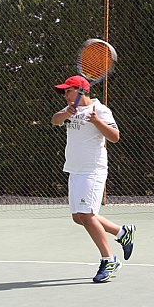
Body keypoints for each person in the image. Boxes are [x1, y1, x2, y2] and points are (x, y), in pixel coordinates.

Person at [51, 75, 135, 283]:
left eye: (67, 91)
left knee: (86, 214)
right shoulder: (71, 110)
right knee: (79, 218)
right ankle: (122, 232)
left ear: (80, 91)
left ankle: (109, 260)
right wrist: (66, 113)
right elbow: (54, 120)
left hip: (93, 170)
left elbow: (115, 137)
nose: (65, 95)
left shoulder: (101, 110)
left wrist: (97, 121)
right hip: (75, 170)